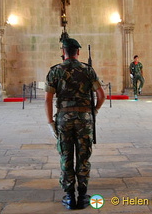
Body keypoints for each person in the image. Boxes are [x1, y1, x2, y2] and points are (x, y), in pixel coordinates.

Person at [45, 38, 105, 210]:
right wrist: (94, 111)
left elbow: (48, 100)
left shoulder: (55, 71)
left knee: (66, 156)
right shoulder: (87, 70)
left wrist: (50, 122)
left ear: (63, 52)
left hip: (64, 119)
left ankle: (70, 196)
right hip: (85, 119)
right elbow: (101, 96)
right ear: (77, 52)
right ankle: (83, 195)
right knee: (83, 156)